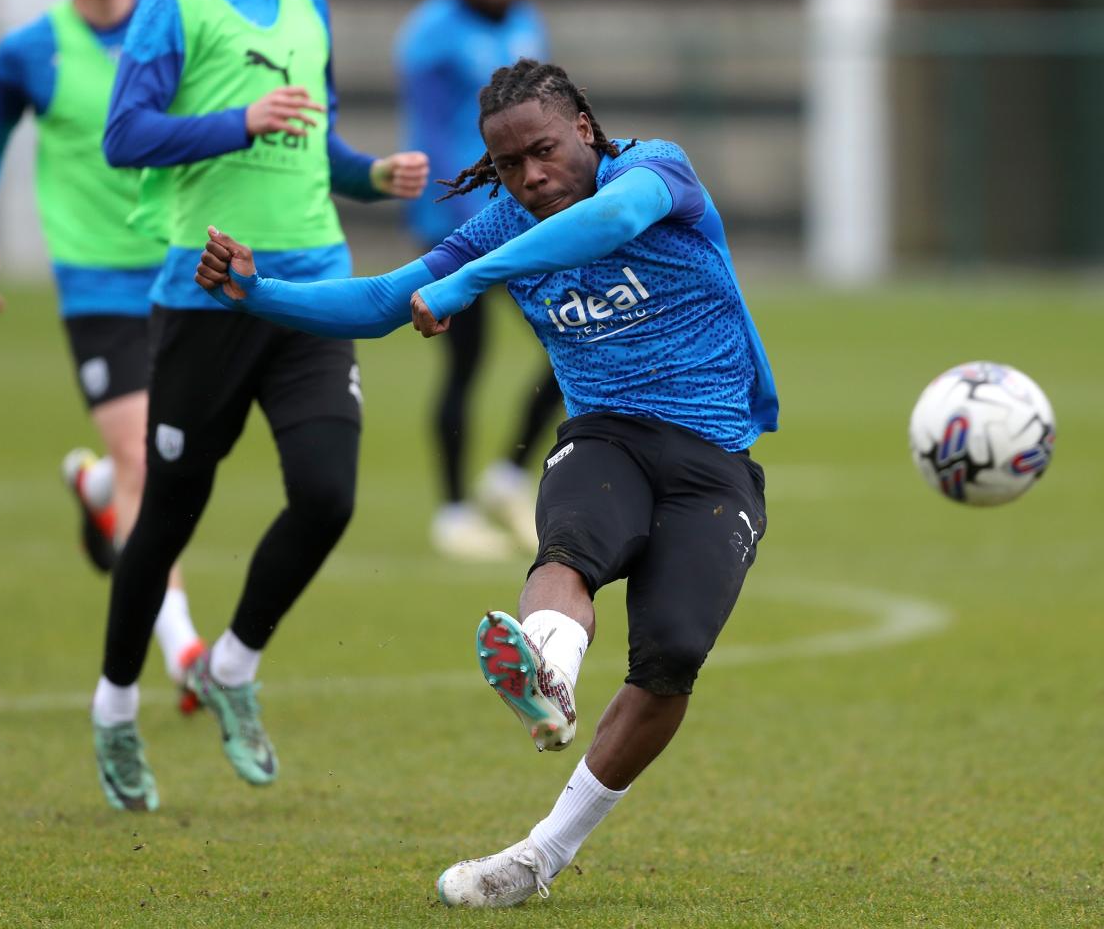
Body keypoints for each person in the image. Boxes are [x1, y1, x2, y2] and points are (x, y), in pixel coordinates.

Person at [195, 58, 777, 907]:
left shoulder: (655, 171)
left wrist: (469, 281)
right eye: (508, 165)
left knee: (673, 659)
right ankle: (547, 676)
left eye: (541, 151)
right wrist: (256, 293)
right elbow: (388, 299)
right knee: (572, 546)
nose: (530, 177)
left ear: (583, 126)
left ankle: (538, 859)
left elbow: (611, 220)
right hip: (604, 434)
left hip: (713, 457)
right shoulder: (502, 222)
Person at [89, 0, 429, 812]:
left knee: (327, 494)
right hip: (206, 293)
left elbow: (314, 143)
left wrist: (375, 175)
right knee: (167, 514)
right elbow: (124, 135)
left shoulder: (309, 4)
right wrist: (238, 120)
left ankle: (233, 664)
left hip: (312, 288)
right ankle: (116, 710)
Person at [0, 0, 203, 709]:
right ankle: (184, 651)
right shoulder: (29, 52)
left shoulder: (177, 27)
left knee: (173, 452)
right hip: (95, 285)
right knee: (146, 456)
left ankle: (96, 484)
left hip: (180, 269)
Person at [395, 0, 560, 560]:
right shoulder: (432, 31)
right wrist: (462, 213)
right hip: (458, 226)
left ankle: (508, 476)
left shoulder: (526, 22)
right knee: (465, 364)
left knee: (572, 339)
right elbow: (432, 131)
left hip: (521, 217)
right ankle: (453, 512)